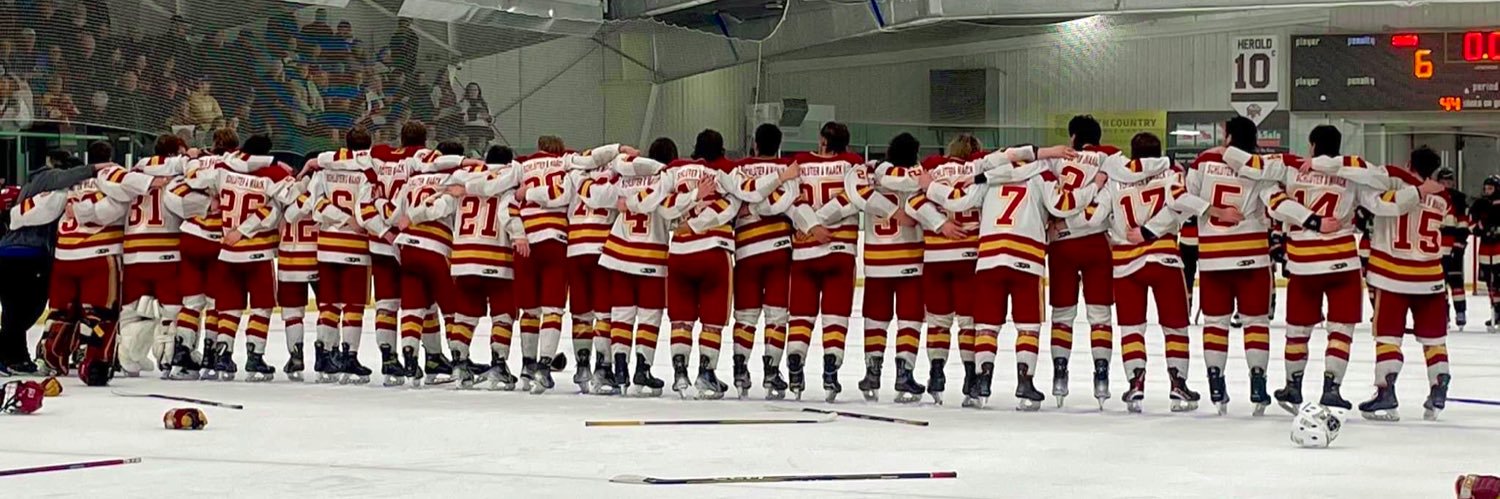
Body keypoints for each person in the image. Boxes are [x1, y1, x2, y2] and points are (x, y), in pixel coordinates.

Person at [922, 143, 1088, 410]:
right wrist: (1092, 190)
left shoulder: (990, 178)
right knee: (1028, 327)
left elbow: (959, 201)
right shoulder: (1041, 176)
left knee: (987, 325)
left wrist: (931, 187)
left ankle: (983, 379)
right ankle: (1025, 382)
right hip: (1028, 260)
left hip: (989, 259)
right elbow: (1061, 206)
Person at [1183, 117, 1320, 416]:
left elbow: (1184, 198)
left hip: (1213, 258)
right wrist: (1313, 220)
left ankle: (1216, 383)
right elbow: (1277, 204)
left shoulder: (1203, 160)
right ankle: (1258, 383)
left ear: (1228, 136)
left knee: (1215, 325)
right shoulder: (1260, 167)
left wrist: (1213, 210)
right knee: (1256, 323)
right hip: (1252, 258)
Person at [1068, 133, 1203, 413]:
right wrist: (1153, 229)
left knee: (1132, 329)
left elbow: (1092, 217)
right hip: (1164, 258)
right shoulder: (1170, 174)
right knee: (1175, 327)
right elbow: (1184, 204)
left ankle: (1135, 382)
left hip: (1125, 264)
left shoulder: (1116, 179)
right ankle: (1178, 385)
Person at [12, 144, 164, 386]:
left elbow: (24, 213)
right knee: (101, 313)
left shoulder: (67, 186)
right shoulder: (111, 177)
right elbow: (109, 210)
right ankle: (95, 362)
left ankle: (51, 357)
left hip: (64, 257)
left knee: (62, 312)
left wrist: (14, 217)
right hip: (99, 255)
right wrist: (154, 182)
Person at [1264, 126, 1383, 412]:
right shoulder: (1350, 174)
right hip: (1343, 261)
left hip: (1303, 263)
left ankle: (1293, 387)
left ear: (1312, 144)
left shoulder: (1292, 169)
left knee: (1297, 330)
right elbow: (1378, 191)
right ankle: (1332, 388)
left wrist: (1308, 218)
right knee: (1341, 330)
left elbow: (1273, 203)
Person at [834, 133, 946, 403]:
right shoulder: (919, 177)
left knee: (875, 320)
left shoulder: (871, 173)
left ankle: (872, 373)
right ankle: (904, 374)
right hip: (909, 260)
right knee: (909, 321)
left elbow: (856, 194)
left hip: (876, 261)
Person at [186, 135, 295, 382]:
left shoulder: (224, 169)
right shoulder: (271, 174)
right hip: (258, 252)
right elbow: (285, 202)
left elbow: (196, 180)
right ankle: (255, 357)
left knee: (229, 307)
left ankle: (223, 355)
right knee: (261, 308)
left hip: (227, 252)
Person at [0, 147, 111, 374]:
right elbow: (63, 178)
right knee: (27, 310)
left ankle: (17, 358)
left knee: (14, 311)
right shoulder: (48, 179)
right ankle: (7, 354)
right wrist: (93, 169)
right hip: (27, 255)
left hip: (11, 253)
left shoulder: (34, 185)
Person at [1358, 147, 1450, 421]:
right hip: (1431, 278)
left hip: (1392, 276)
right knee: (1435, 340)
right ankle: (1438, 387)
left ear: (1409, 163)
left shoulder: (1395, 190)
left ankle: (1386, 393)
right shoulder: (1443, 200)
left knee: (1387, 337)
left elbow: (1381, 202)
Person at [597, 138, 693, 396]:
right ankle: (643, 367)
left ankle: (619, 368)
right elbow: (671, 215)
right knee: (649, 318)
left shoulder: (626, 175)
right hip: (650, 254)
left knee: (621, 314)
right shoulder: (666, 179)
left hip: (617, 251)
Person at [1039, 116, 1120, 407]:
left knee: (1063, 315)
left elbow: (1050, 200)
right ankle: (1102, 375)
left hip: (1062, 246)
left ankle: (1060, 374)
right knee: (1100, 316)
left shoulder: (1058, 160)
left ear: (1072, 136)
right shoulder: (1108, 159)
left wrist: (1060, 226)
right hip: (1097, 243)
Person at [784, 122, 862, 402]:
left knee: (801, 315)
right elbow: (856, 199)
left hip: (804, 251)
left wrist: (811, 225)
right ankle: (831, 370)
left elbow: (790, 201)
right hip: (840, 249)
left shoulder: (800, 163)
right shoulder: (853, 163)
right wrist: (823, 222)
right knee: (836, 315)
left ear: (822, 140)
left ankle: (795, 361)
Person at [305, 128, 389, 384]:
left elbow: (315, 205)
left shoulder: (326, 168)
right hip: (355, 245)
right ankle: (348, 356)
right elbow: (367, 211)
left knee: (328, 303)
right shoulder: (369, 170)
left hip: (327, 243)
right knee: (353, 305)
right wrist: (352, 221)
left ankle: (323, 354)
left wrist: (338, 218)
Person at [665, 129, 741, 399]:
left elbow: (664, 205)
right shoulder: (727, 173)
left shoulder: (676, 171)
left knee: (681, 319)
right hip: (713, 251)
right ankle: (706, 375)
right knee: (712, 320)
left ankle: (680, 372)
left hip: (679, 253)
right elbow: (736, 206)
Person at [725, 124, 798, 399]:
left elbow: (730, 205)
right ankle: (771, 370)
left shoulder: (738, 169)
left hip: (745, 252)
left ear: (755, 144)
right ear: (778, 145)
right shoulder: (788, 170)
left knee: (745, 315)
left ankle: (740, 369)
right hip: (779, 249)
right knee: (777, 315)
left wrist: (748, 206)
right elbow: (790, 206)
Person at [115, 137, 197, 379]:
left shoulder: (134, 173)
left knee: (131, 311)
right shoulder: (178, 175)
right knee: (171, 311)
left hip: (133, 252)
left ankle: (128, 359)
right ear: (175, 153)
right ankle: (167, 359)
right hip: (166, 251)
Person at [447, 145, 524, 389]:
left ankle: (459, 365)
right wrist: (519, 236)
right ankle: (498, 364)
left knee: (464, 315)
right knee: (503, 314)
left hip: (462, 257)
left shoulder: (466, 176)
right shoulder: (507, 182)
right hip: (495, 257)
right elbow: (507, 213)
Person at [391, 142, 467, 387]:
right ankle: (459, 361)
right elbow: (439, 208)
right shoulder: (450, 180)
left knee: (414, 307)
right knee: (451, 308)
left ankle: (412, 361)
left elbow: (394, 215)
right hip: (435, 248)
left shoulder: (412, 180)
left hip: (406, 248)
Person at [917, 134, 983, 404]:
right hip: (969, 255)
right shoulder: (980, 171)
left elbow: (914, 203)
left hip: (935, 256)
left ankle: (936, 373)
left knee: (938, 322)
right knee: (969, 322)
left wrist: (939, 224)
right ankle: (970, 377)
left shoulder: (932, 169)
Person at [369, 121, 427, 381]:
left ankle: (388, 358)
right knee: (420, 302)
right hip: (411, 240)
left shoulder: (378, 155)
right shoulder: (422, 158)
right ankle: (426, 357)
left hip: (379, 241)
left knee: (385, 303)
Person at [563, 141, 617, 394]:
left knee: (581, 311)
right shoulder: (616, 176)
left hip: (574, 246)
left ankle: (582, 365)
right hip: (601, 248)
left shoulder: (574, 174)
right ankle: (603, 367)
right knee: (604, 312)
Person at [1436, 168, 1470, 327]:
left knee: (1456, 282)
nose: (1446, 184)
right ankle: (1443, 314)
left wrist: (1459, 245)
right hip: (1436, 249)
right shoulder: (1431, 197)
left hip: (1453, 247)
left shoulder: (1459, 199)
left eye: (1449, 181)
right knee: (1439, 284)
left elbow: (1463, 225)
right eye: (1443, 181)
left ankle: (1460, 311)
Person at [1471, 176, 1500, 331]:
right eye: (1486, 189)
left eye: (1491, 189)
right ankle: (1495, 311)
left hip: (1498, 249)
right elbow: (1472, 224)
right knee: (1490, 282)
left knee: (1499, 282)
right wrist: (1479, 228)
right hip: (1485, 249)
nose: (1488, 192)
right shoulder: (1480, 204)